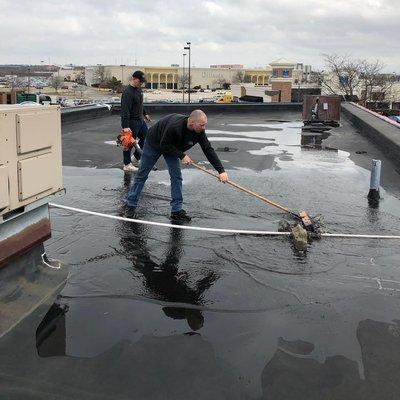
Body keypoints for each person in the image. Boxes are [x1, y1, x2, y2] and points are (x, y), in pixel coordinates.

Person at [125, 110, 229, 221]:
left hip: (172, 148)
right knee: (142, 174)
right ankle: (131, 205)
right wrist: (182, 155)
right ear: (191, 122)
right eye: (202, 125)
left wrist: (221, 171)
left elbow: (208, 149)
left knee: (176, 176)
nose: (204, 128)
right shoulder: (175, 126)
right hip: (154, 143)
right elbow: (164, 145)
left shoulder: (199, 132)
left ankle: (176, 210)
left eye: (205, 125)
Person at [120, 70, 151, 172]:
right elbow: (125, 110)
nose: (141, 83)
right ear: (134, 79)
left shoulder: (139, 90)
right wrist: (125, 126)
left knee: (146, 139)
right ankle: (127, 164)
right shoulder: (127, 93)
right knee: (128, 143)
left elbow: (140, 104)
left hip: (140, 120)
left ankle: (135, 159)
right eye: (140, 81)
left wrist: (145, 114)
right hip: (131, 122)